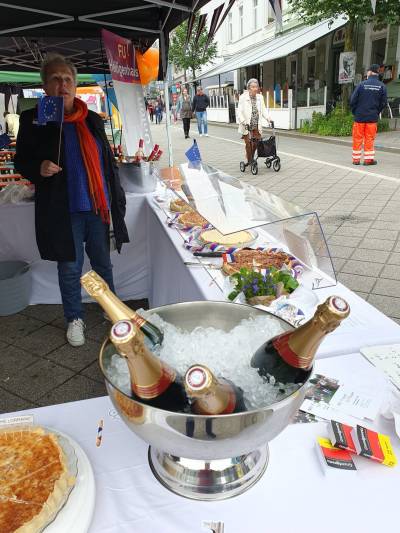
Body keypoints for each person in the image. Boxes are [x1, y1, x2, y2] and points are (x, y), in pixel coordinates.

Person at [14, 53, 129, 347]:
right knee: (69, 268)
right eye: (55, 79)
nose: (62, 84)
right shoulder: (35, 119)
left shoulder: (92, 119)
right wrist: (38, 167)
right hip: (63, 210)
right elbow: (21, 161)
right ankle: (74, 318)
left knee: (103, 264)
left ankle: (111, 311)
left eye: (67, 79)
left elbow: (107, 161)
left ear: (75, 85)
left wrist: (116, 197)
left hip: (97, 207)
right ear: (45, 86)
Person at [350, 64, 388, 165]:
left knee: (357, 138)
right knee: (369, 138)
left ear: (370, 72)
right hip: (372, 117)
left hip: (359, 117)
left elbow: (353, 100)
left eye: (368, 71)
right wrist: (376, 112)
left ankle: (356, 160)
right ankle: (368, 160)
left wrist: (355, 112)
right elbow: (383, 103)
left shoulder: (361, 85)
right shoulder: (382, 86)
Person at [237, 78, 271, 166]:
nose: (255, 88)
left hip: (256, 124)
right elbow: (239, 112)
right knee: (248, 144)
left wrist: (268, 118)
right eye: (253, 87)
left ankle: (250, 157)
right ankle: (250, 160)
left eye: (256, 87)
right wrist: (243, 121)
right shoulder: (243, 97)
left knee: (256, 143)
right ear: (249, 88)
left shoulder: (260, 97)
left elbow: (263, 109)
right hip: (246, 125)